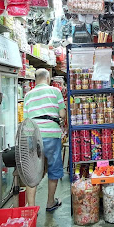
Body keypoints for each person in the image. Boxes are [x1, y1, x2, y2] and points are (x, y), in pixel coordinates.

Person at [24, 68, 67, 212]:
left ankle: (31, 208)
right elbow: (61, 114)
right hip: (51, 135)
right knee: (53, 169)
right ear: (48, 79)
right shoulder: (55, 92)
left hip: (32, 135)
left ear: (35, 80)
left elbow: (26, 119)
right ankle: (50, 202)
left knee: (33, 171)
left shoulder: (28, 95)